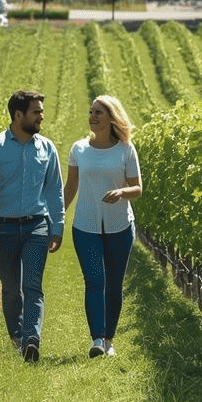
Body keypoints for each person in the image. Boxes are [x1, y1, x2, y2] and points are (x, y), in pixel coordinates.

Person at [0, 90, 64, 363]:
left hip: (37, 225)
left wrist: (57, 225)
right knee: (11, 288)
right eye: (36, 112)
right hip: (3, 228)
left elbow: (54, 190)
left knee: (32, 285)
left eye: (41, 111)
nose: (41, 117)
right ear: (18, 115)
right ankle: (17, 336)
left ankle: (32, 340)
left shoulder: (47, 149)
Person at [64, 95, 142, 358]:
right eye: (91, 112)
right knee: (95, 280)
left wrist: (122, 191)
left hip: (120, 226)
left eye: (99, 113)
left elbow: (138, 188)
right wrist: (56, 216)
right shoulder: (78, 149)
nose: (93, 117)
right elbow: (71, 188)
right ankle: (97, 339)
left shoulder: (126, 150)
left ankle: (109, 339)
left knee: (114, 284)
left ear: (112, 118)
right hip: (85, 226)